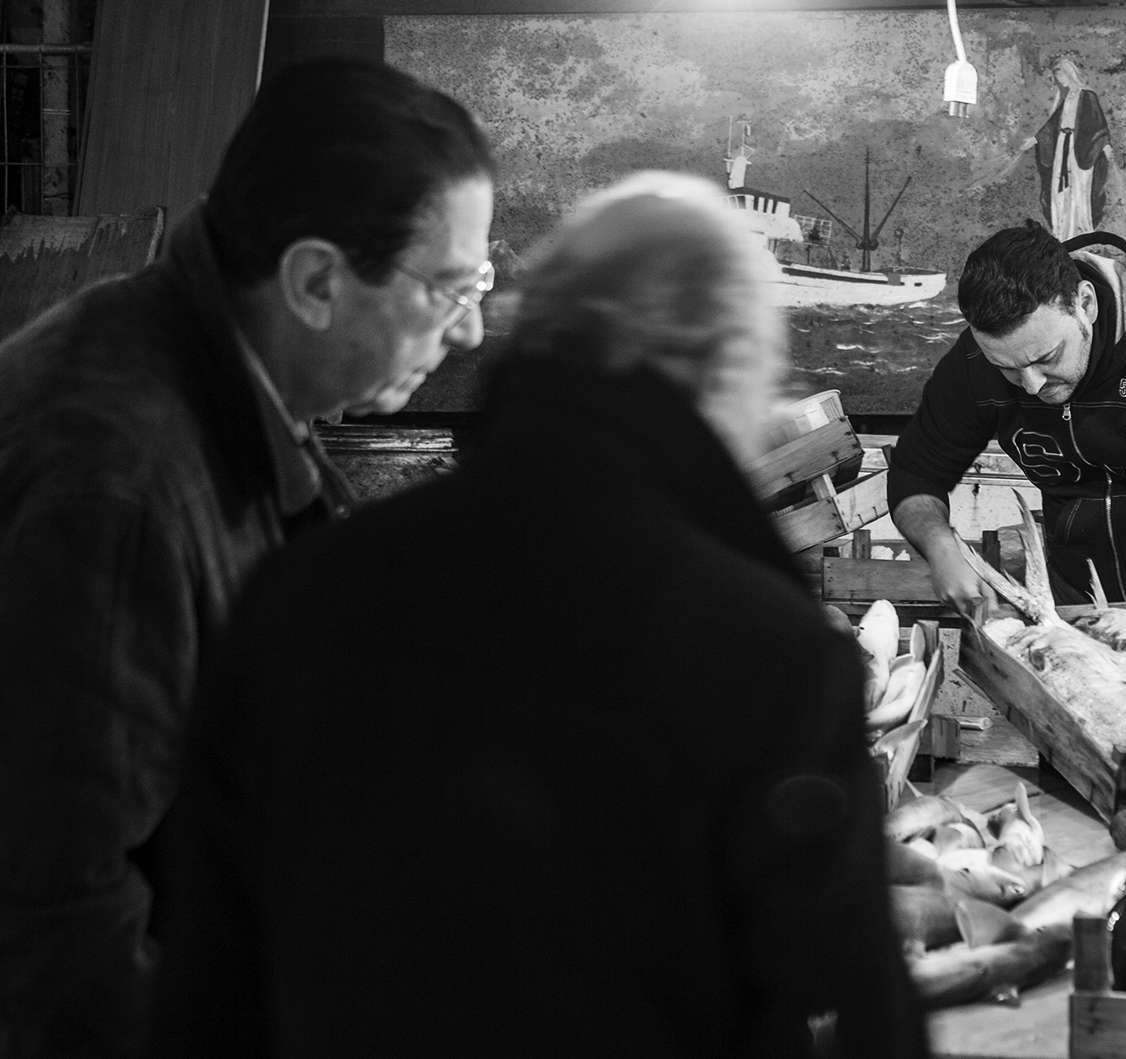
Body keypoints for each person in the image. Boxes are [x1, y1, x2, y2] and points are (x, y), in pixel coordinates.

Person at [145, 171, 930, 1059]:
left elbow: (206, 989)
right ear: (729, 370)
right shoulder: (770, 655)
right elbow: (863, 1018)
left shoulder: (301, 594)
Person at [0, 57, 494, 1057]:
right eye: (447, 288)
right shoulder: (121, 485)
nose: (471, 328)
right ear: (314, 280)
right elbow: (57, 938)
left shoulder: (222, 372)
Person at [888, 221, 1126, 638]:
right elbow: (916, 473)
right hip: (1076, 590)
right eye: (1008, 369)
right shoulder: (978, 362)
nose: (1032, 385)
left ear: (1084, 305)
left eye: (1047, 357)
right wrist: (940, 546)